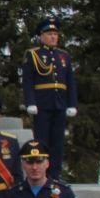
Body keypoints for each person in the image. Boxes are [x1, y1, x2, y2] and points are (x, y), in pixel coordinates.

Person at [21, 16, 78, 180]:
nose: (53, 37)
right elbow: (28, 81)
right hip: (42, 104)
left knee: (58, 143)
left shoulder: (64, 56)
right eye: (49, 33)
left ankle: (56, 175)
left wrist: (72, 103)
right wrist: (30, 102)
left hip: (60, 104)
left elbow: (70, 82)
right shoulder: (33, 55)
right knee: (42, 142)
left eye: (55, 33)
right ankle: (41, 175)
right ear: (41, 36)